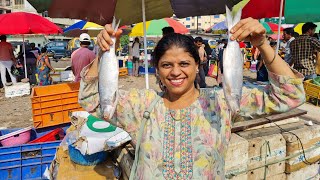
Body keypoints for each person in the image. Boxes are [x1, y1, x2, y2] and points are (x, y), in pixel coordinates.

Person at [79, 18, 305, 179]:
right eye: (166, 65)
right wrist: (104, 52)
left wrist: (262, 44)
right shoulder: (142, 105)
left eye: (184, 64)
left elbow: (290, 95)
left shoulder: (222, 103)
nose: (175, 72)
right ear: (157, 70)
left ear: (198, 66)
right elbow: (90, 99)